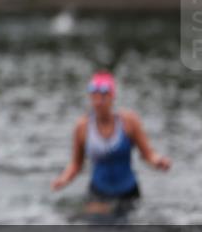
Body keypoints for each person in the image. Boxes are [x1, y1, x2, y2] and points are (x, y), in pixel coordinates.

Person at [51, 71, 171, 216]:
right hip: (98, 192)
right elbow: (76, 164)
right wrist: (63, 179)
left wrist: (158, 161)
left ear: (112, 96)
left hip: (128, 193)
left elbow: (147, 154)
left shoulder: (129, 122)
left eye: (103, 96)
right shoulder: (82, 127)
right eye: (94, 96)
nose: (99, 101)